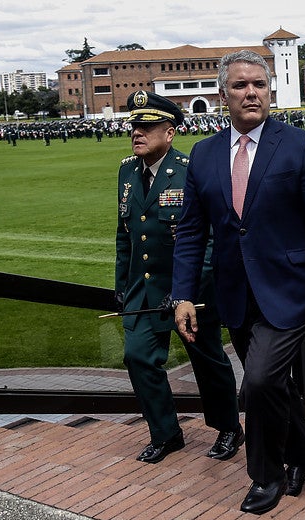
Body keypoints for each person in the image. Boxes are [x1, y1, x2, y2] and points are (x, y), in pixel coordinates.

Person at [172, 50, 305, 515]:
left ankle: (265, 475)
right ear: (222, 95)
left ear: (270, 91)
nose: (252, 93)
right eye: (241, 86)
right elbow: (190, 230)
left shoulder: (301, 146)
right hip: (234, 295)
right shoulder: (205, 154)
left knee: (261, 382)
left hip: (289, 291)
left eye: (259, 85)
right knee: (277, 387)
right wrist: (184, 294)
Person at [114, 91, 241, 465]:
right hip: (144, 288)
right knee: (137, 358)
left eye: (147, 126)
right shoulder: (126, 171)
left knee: (208, 361)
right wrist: (122, 285)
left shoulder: (191, 170)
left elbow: (210, 239)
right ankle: (166, 433)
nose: (137, 133)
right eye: (134, 126)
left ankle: (229, 427)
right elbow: (125, 234)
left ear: (169, 133)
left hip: (190, 290)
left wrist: (190, 288)